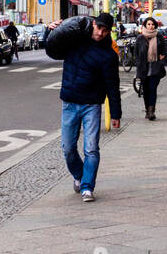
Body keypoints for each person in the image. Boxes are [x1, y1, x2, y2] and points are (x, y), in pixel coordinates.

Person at [45, 12, 121, 202]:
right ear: (93, 24)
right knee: (68, 148)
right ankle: (79, 175)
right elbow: (54, 50)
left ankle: (87, 187)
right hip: (70, 102)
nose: (101, 33)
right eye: (99, 28)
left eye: (106, 30)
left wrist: (116, 113)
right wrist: (51, 31)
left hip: (91, 105)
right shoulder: (76, 40)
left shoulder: (108, 55)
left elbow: (113, 86)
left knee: (91, 149)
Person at [134, 16, 167, 120]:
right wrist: (138, 64)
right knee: (145, 91)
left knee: (152, 89)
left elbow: (164, 52)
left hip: (155, 68)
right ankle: (147, 109)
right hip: (143, 69)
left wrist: (161, 62)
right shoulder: (140, 38)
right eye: (149, 24)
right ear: (145, 25)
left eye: (153, 24)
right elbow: (136, 53)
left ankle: (151, 111)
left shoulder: (159, 37)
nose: (151, 26)